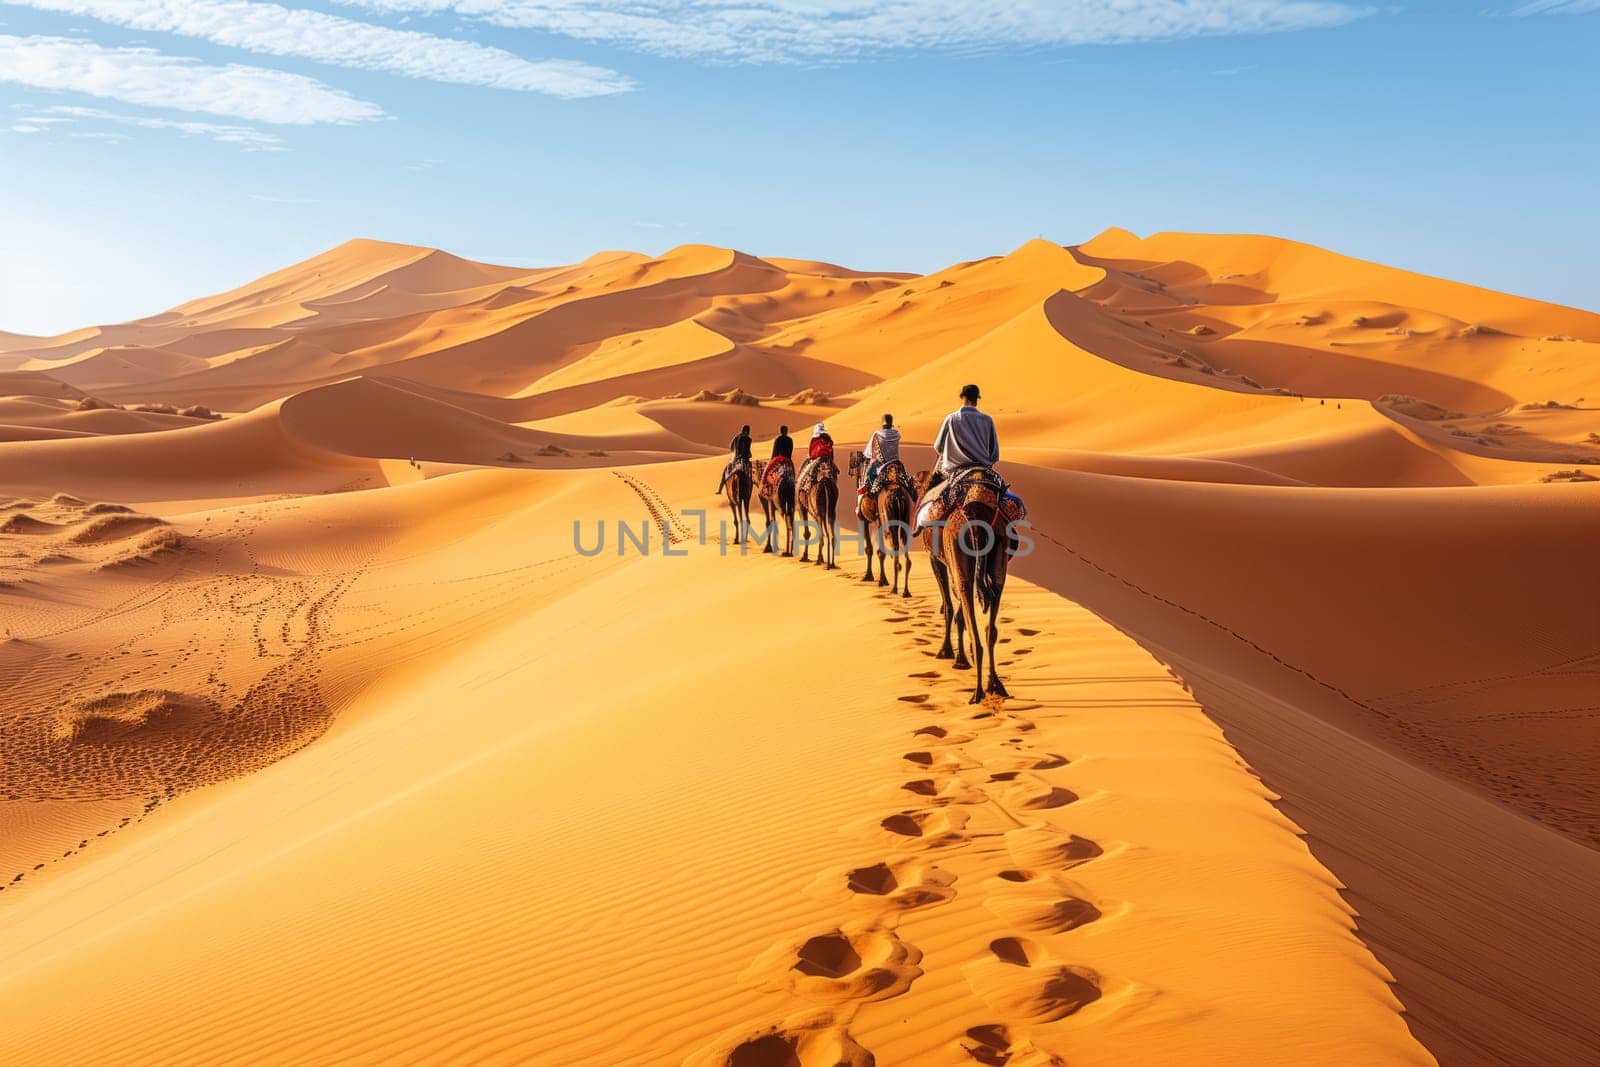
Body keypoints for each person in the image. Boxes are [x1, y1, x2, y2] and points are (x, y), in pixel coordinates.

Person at [916, 384, 999, 529]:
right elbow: (994, 454)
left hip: (954, 472)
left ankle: (919, 527)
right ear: (977, 399)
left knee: (932, 499)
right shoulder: (988, 420)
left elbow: (938, 447)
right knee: (1003, 500)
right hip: (984, 471)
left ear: (963, 397)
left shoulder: (952, 419)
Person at [860, 413, 901, 496]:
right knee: (907, 483)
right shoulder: (896, 434)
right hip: (897, 464)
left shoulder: (877, 434)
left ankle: (869, 499)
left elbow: (868, 452)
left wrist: (866, 456)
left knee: (868, 477)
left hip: (882, 466)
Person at [716, 423, 754, 494]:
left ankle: (720, 489)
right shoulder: (748, 439)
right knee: (752, 474)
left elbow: (731, 447)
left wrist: (735, 452)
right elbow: (748, 451)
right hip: (745, 460)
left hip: (736, 459)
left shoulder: (736, 437)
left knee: (725, 472)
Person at [797, 421, 834, 491]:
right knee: (833, 473)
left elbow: (811, 452)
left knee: (809, 472)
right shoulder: (828, 439)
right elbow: (831, 452)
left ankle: (808, 487)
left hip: (817, 459)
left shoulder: (814, 439)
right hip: (827, 459)